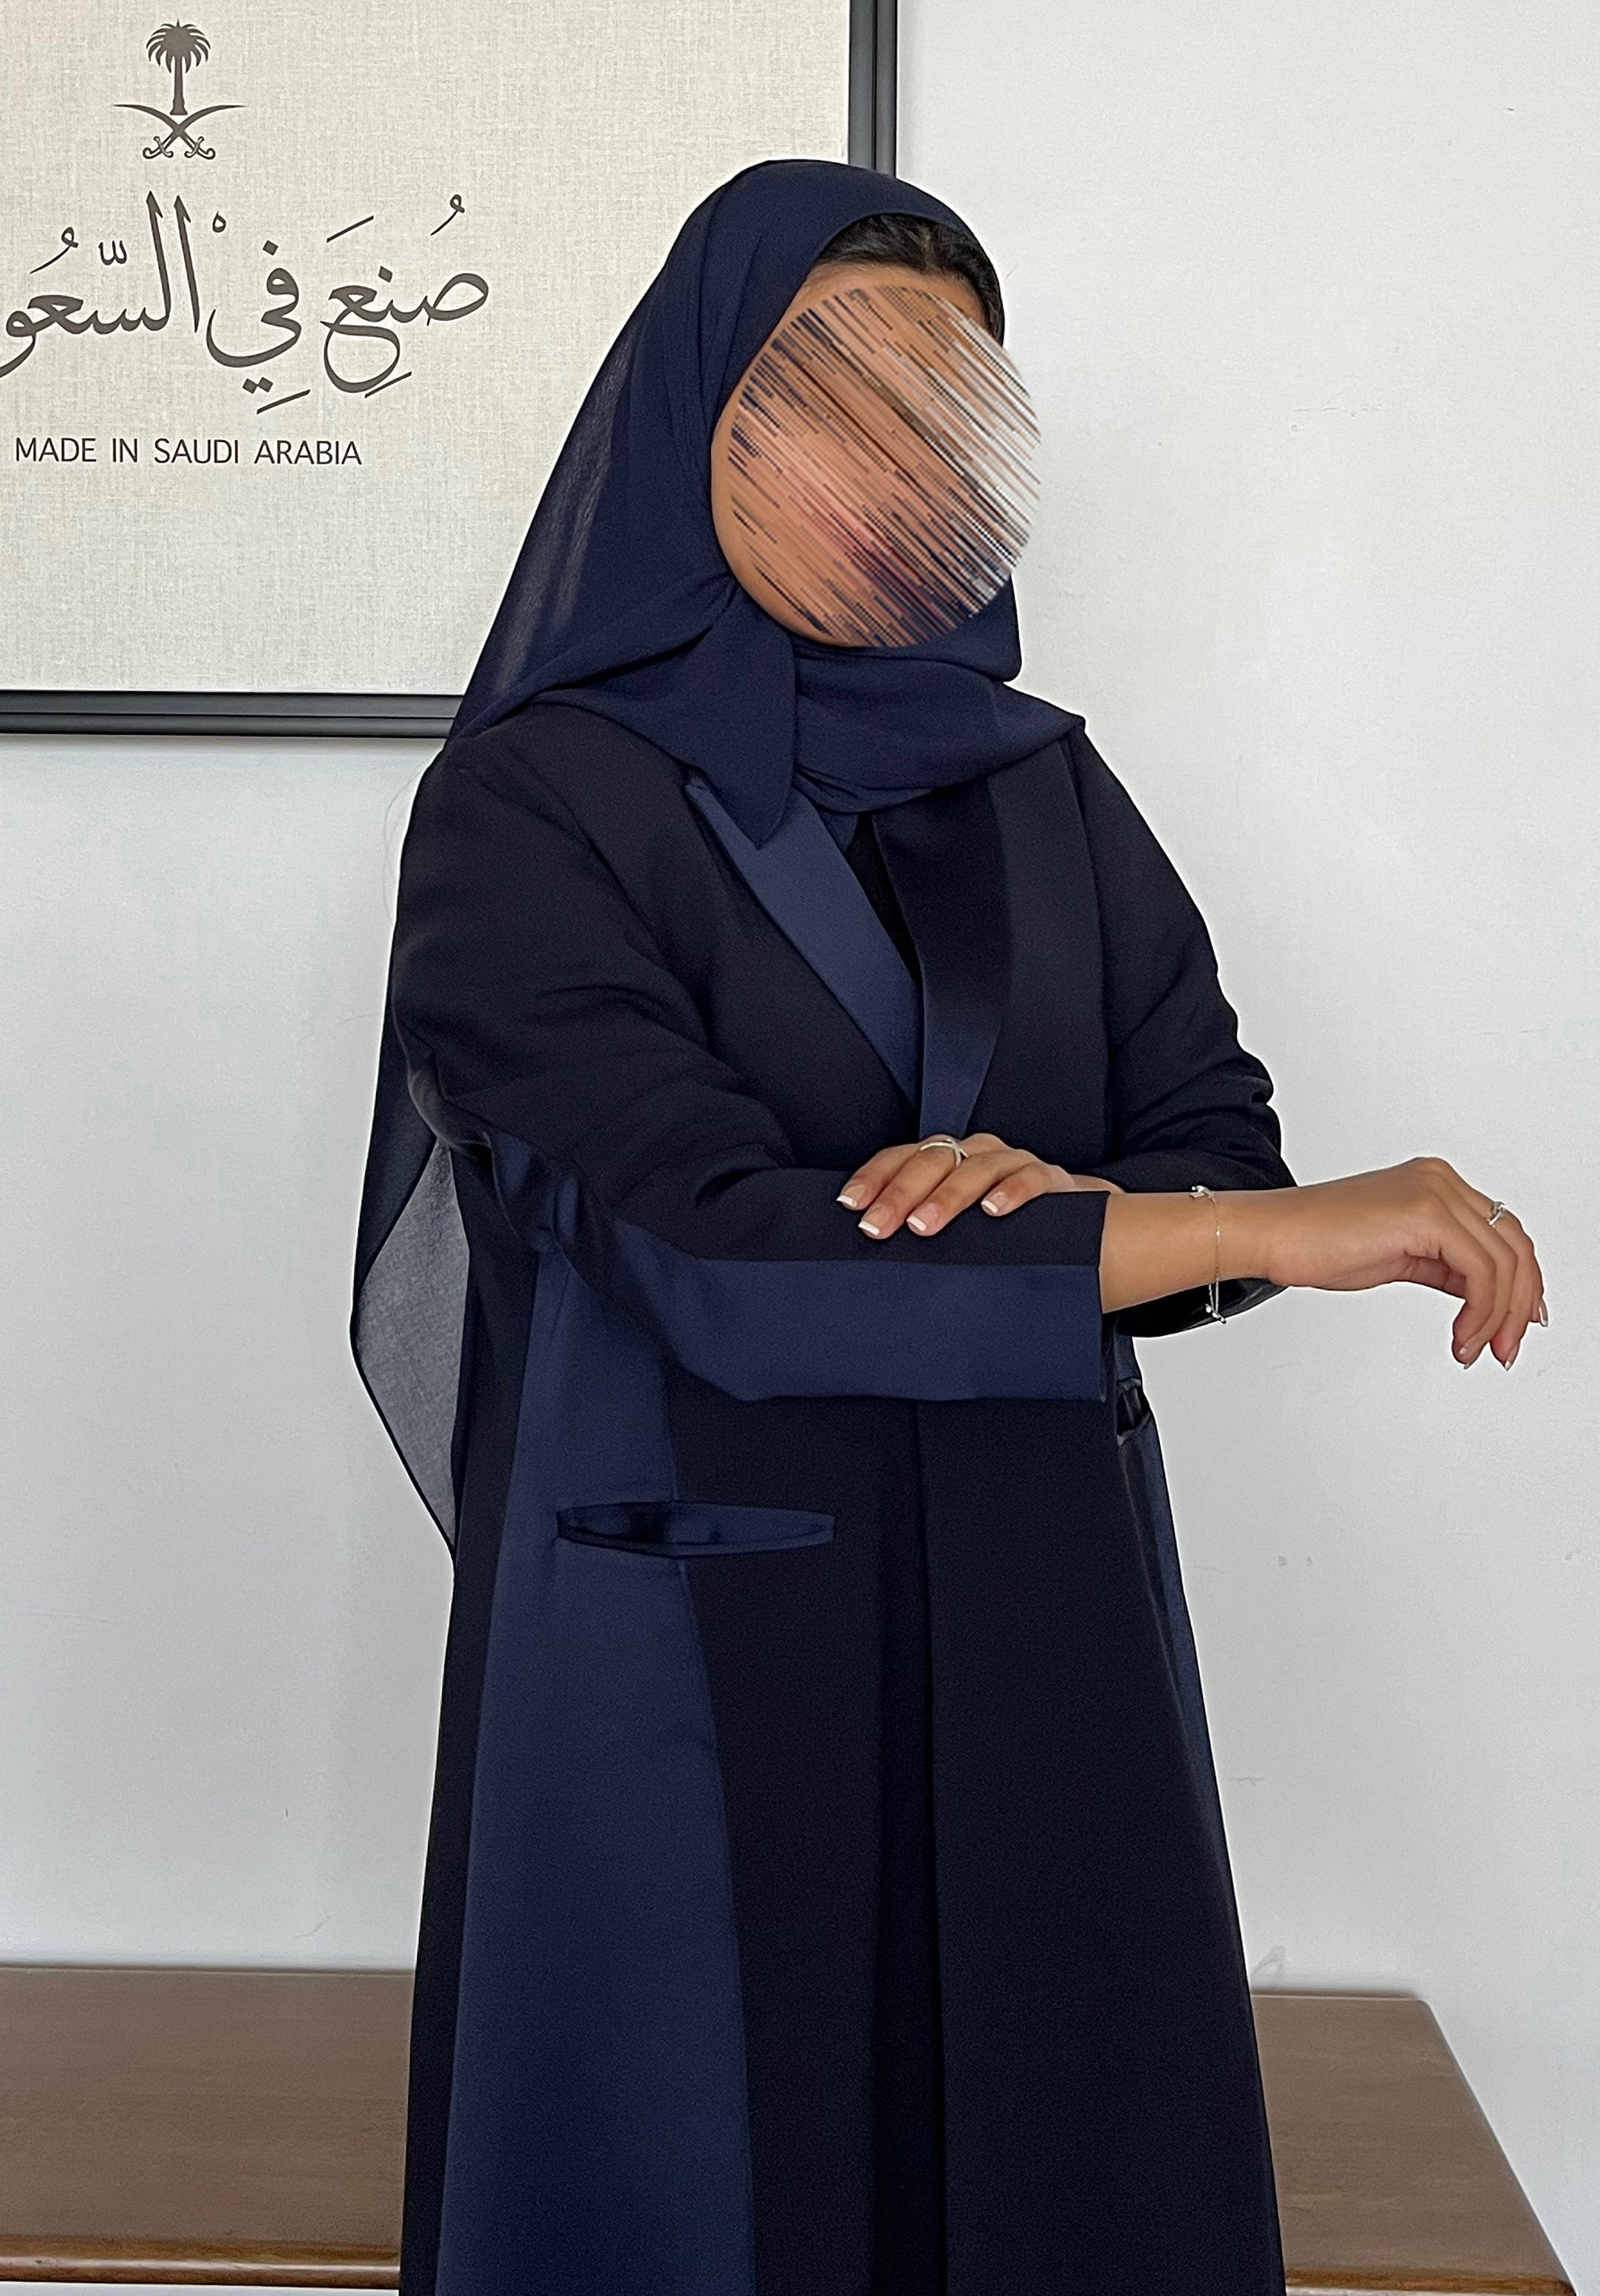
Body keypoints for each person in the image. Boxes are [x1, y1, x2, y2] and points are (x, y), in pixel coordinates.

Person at [349, 158, 1545, 2296]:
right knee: (718, 2211)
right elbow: (713, 1253)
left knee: (1062, 2196)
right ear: (689, 417)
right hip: (693, 1666)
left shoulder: (1037, 785)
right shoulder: (530, 809)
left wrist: (1099, 1206)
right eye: (818, 403)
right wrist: (1230, 1235)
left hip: (1035, 1625)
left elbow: (1204, 1126)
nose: (889, 471)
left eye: (946, 419)